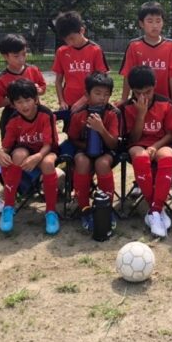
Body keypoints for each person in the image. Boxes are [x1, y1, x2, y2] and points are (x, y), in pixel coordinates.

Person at [0, 79, 60, 235]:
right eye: (19, 102)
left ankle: (51, 211)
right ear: (13, 104)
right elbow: (6, 147)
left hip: (46, 150)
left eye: (28, 100)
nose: (24, 105)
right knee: (18, 155)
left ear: (36, 99)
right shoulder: (13, 119)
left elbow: (49, 144)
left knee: (48, 163)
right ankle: (8, 207)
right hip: (25, 151)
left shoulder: (45, 114)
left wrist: (38, 156)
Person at [121, 65, 172, 238]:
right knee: (141, 157)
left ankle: (154, 210)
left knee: (167, 157)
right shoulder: (127, 107)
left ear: (155, 85)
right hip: (138, 144)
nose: (143, 97)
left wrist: (156, 146)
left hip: (161, 143)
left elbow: (171, 133)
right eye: (138, 93)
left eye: (148, 91)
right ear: (132, 90)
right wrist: (141, 114)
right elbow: (133, 139)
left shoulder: (165, 104)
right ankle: (157, 210)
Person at [66, 71, 121, 232]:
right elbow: (72, 138)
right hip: (84, 150)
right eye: (97, 93)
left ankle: (106, 208)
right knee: (82, 161)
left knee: (101, 163)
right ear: (87, 94)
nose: (102, 98)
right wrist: (87, 146)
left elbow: (113, 144)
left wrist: (101, 129)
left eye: (106, 94)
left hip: (107, 151)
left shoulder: (112, 113)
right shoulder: (78, 113)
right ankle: (84, 208)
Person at [119, 1, 172, 111]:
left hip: (164, 101)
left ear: (163, 22)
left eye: (158, 21)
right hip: (140, 101)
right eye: (150, 21)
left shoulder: (170, 45)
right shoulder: (134, 46)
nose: (155, 25)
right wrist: (124, 99)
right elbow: (128, 74)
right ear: (141, 23)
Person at [52, 11, 109, 112]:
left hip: (91, 103)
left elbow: (102, 81)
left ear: (82, 30)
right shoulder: (61, 52)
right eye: (66, 39)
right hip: (69, 103)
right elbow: (58, 81)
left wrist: (84, 99)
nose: (69, 42)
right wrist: (61, 101)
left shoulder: (95, 50)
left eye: (72, 38)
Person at [0, 34, 46, 142]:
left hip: (34, 114)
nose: (21, 59)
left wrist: (38, 90)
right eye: (16, 56)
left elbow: (43, 89)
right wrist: (17, 98)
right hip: (12, 116)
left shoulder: (33, 70)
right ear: (5, 56)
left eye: (24, 54)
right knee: (12, 146)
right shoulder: (3, 78)